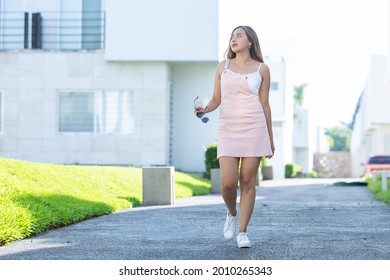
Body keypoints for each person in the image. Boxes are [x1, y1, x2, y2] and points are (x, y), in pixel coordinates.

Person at [195, 25, 275, 248]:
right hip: (228, 129)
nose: (234, 38)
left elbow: (265, 105)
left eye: (239, 35)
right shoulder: (224, 67)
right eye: (232, 36)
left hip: (254, 129)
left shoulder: (262, 69)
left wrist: (270, 138)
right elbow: (216, 99)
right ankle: (231, 213)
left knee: (248, 181)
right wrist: (204, 109)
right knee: (228, 184)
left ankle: (242, 232)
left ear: (250, 42)